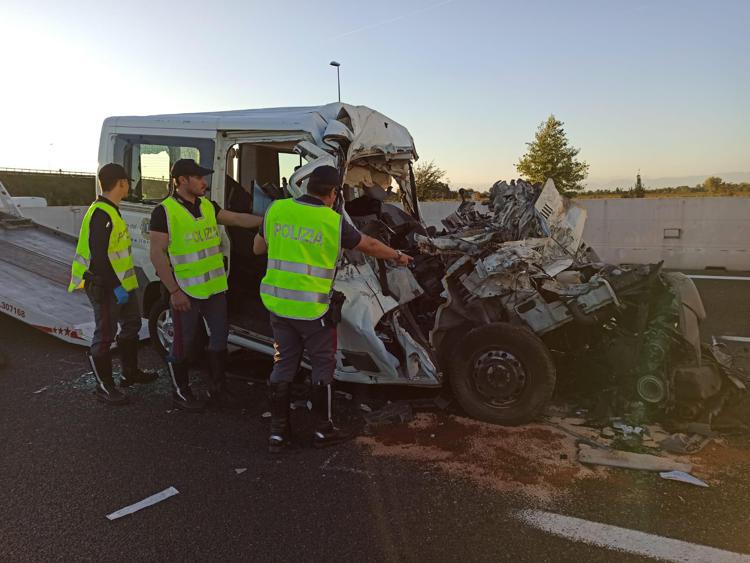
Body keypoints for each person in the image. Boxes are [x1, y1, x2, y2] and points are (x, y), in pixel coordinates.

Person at [253, 165, 413, 452]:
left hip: (278, 305)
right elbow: (371, 245)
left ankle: (277, 433)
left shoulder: (276, 209)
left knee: (283, 363)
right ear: (333, 193)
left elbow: (257, 249)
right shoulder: (332, 221)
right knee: (322, 365)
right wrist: (399, 256)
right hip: (313, 311)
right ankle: (322, 430)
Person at [149, 159, 263, 411]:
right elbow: (157, 254)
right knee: (184, 342)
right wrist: (174, 291)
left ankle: (218, 388)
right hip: (186, 291)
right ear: (181, 181)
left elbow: (235, 219)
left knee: (219, 338)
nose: (204, 182)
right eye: (198, 177)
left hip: (214, 288)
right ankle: (181, 391)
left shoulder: (207, 206)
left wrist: (268, 220)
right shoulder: (164, 211)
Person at [68, 163, 156, 405]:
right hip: (104, 286)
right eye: (128, 181)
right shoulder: (100, 214)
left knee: (132, 325)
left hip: (120, 284)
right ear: (121, 183)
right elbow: (99, 256)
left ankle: (130, 373)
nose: (129, 185)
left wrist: (124, 285)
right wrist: (116, 287)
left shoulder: (111, 211)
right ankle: (104, 387)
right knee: (104, 335)